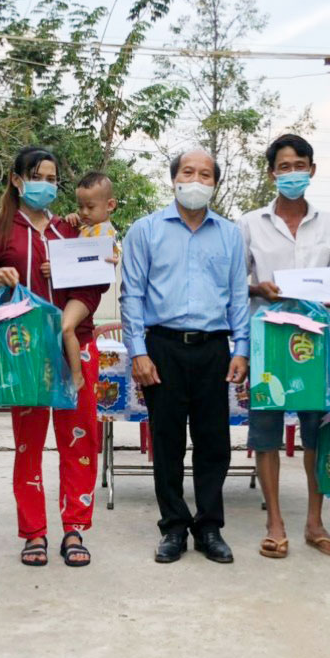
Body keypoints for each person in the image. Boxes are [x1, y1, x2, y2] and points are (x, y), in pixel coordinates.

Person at [0, 146, 106, 568]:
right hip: (22, 350)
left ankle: (75, 527)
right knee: (28, 443)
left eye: (51, 178)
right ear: (16, 179)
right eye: (37, 176)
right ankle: (34, 532)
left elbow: (93, 283)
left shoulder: (72, 230)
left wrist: (70, 315)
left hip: (75, 345)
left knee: (79, 439)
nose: (45, 184)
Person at [120, 148, 250, 565]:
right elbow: (132, 295)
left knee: (214, 442)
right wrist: (138, 352)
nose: (196, 180)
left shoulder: (229, 234)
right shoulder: (145, 230)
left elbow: (238, 296)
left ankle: (209, 527)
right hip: (162, 348)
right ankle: (173, 527)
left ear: (215, 183)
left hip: (213, 348)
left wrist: (242, 349)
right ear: (174, 178)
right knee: (167, 441)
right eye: (188, 172)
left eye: (205, 174)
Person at [237, 133, 330, 559]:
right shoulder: (250, 223)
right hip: (270, 339)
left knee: (316, 432)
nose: (292, 174)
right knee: (266, 433)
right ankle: (275, 523)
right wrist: (258, 288)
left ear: (312, 170)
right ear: (272, 174)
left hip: (315, 339)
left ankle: (315, 524)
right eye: (284, 167)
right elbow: (236, 285)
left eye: (300, 166)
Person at [60, 171, 119, 391]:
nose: (84, 212)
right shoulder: (85, 227)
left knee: (67, 327)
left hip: (85, 294)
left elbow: (111, 258)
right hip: (73, 291)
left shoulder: (107, 233)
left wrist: (112, 260)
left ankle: (77, 376)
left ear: (110, 205)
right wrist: (71, 219)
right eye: (80, 206)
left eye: (90, 207)